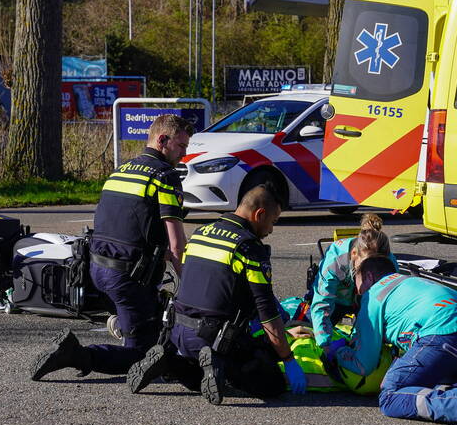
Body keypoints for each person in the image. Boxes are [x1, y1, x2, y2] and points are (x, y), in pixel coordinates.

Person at [30, 114, 191, 381]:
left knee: (149, 321)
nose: (184, 154)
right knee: (142, 354)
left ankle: (125, 323)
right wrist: (189, 284)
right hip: (128, 278)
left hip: (96, 269)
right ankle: (77, 355)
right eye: (181, 146)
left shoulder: (121, 171)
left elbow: (127, 227)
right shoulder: (164, 177)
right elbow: (176, 243)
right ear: (163, 140)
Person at [127, 183, 307, 403]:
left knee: (202, 379)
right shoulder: (250, 248)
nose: (271, 229)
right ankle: (216, 362)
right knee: (272, 384)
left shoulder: (201, 233)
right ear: (260, 214)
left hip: (176, 332)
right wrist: (287, 359)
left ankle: (171, 362)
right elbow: (266, 310)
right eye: (273, 221)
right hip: (215, 338)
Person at [328, 256, 457, 425]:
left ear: (370, 277)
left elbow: (364, 364)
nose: (359, 292)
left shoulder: (374, 295)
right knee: (423, 384)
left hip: (444, 337)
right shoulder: (412, 282)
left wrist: (339, 352)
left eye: (359, 284)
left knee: (391, 396)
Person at [309, 213, 397, 353]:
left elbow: (390, 304)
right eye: (366, 266)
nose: (370, 273)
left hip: (366, 301)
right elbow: (322, 304)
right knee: (315, 334)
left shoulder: (389, 261)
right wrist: (324, 345)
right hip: (336, 299)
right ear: (354, 254)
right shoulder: (335, 260)